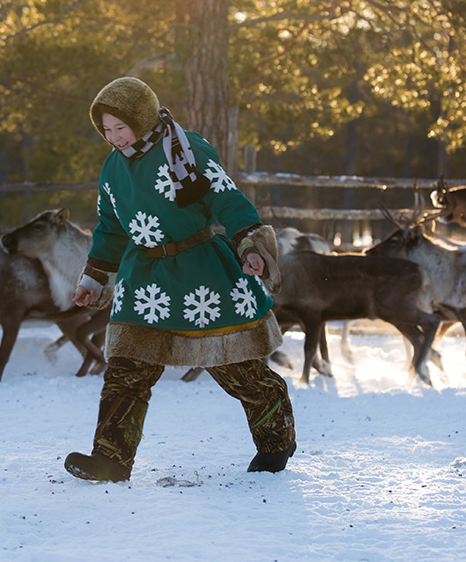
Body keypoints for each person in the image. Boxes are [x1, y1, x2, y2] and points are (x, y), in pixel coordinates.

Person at [66, 76, 296, 483]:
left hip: (200, 275)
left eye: (121, 127)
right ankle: (111, 459)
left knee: (240, 372)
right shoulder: (112, 168)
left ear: (142, 118)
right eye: (106, 129)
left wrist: (251, 245)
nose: (114, 137)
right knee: (126, 370)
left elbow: (228, 199)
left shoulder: (186, 149)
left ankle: (276, 442)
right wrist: (95, 277)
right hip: (144, 280)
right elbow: (111, 228)